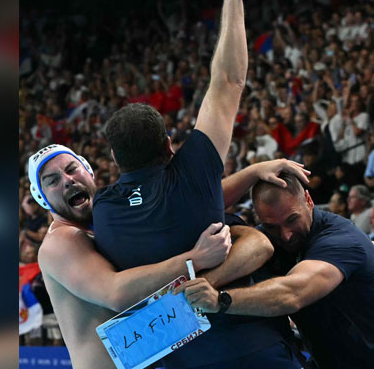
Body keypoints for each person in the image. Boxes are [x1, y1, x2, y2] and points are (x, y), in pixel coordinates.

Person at [92, 0, 307, 367]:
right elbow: (228, 80)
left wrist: (249, 173)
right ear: (169, 145)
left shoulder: (102, 208)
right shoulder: (193, 173)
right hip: (250, 349)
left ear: (115, 161)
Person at [28, 143, 259, 368]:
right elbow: (115, 292)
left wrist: (253, 173)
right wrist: (196, 258)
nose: (67, 181)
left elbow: (194, 206)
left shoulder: (107, 219)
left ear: (88, 171)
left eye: (71, 169)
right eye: (53, 181)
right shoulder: (60, 242)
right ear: (42, 198)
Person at [177, 172, 374, 368]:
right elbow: (200, 208)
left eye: (292, 220)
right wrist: (253, 172)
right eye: (272, 226)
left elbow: (293, 294)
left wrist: (220, 300)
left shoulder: (340, 239)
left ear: (308, 200)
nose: (285, 235)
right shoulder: (270, 238)